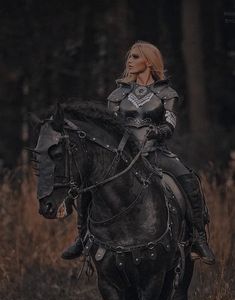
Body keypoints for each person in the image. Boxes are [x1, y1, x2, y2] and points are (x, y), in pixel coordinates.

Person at [62, 41, 215, 265]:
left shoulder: (166, 93)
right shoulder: (117, 94)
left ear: (149, 61)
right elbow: (109, 126)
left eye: (135, 57)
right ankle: (82, 237)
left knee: (189, 179)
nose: (129, 61)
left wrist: (157, 131)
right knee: (90, 183)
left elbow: (170, 124)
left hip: (155, 152)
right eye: (129, 57)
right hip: (123, 156)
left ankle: (199, 239)